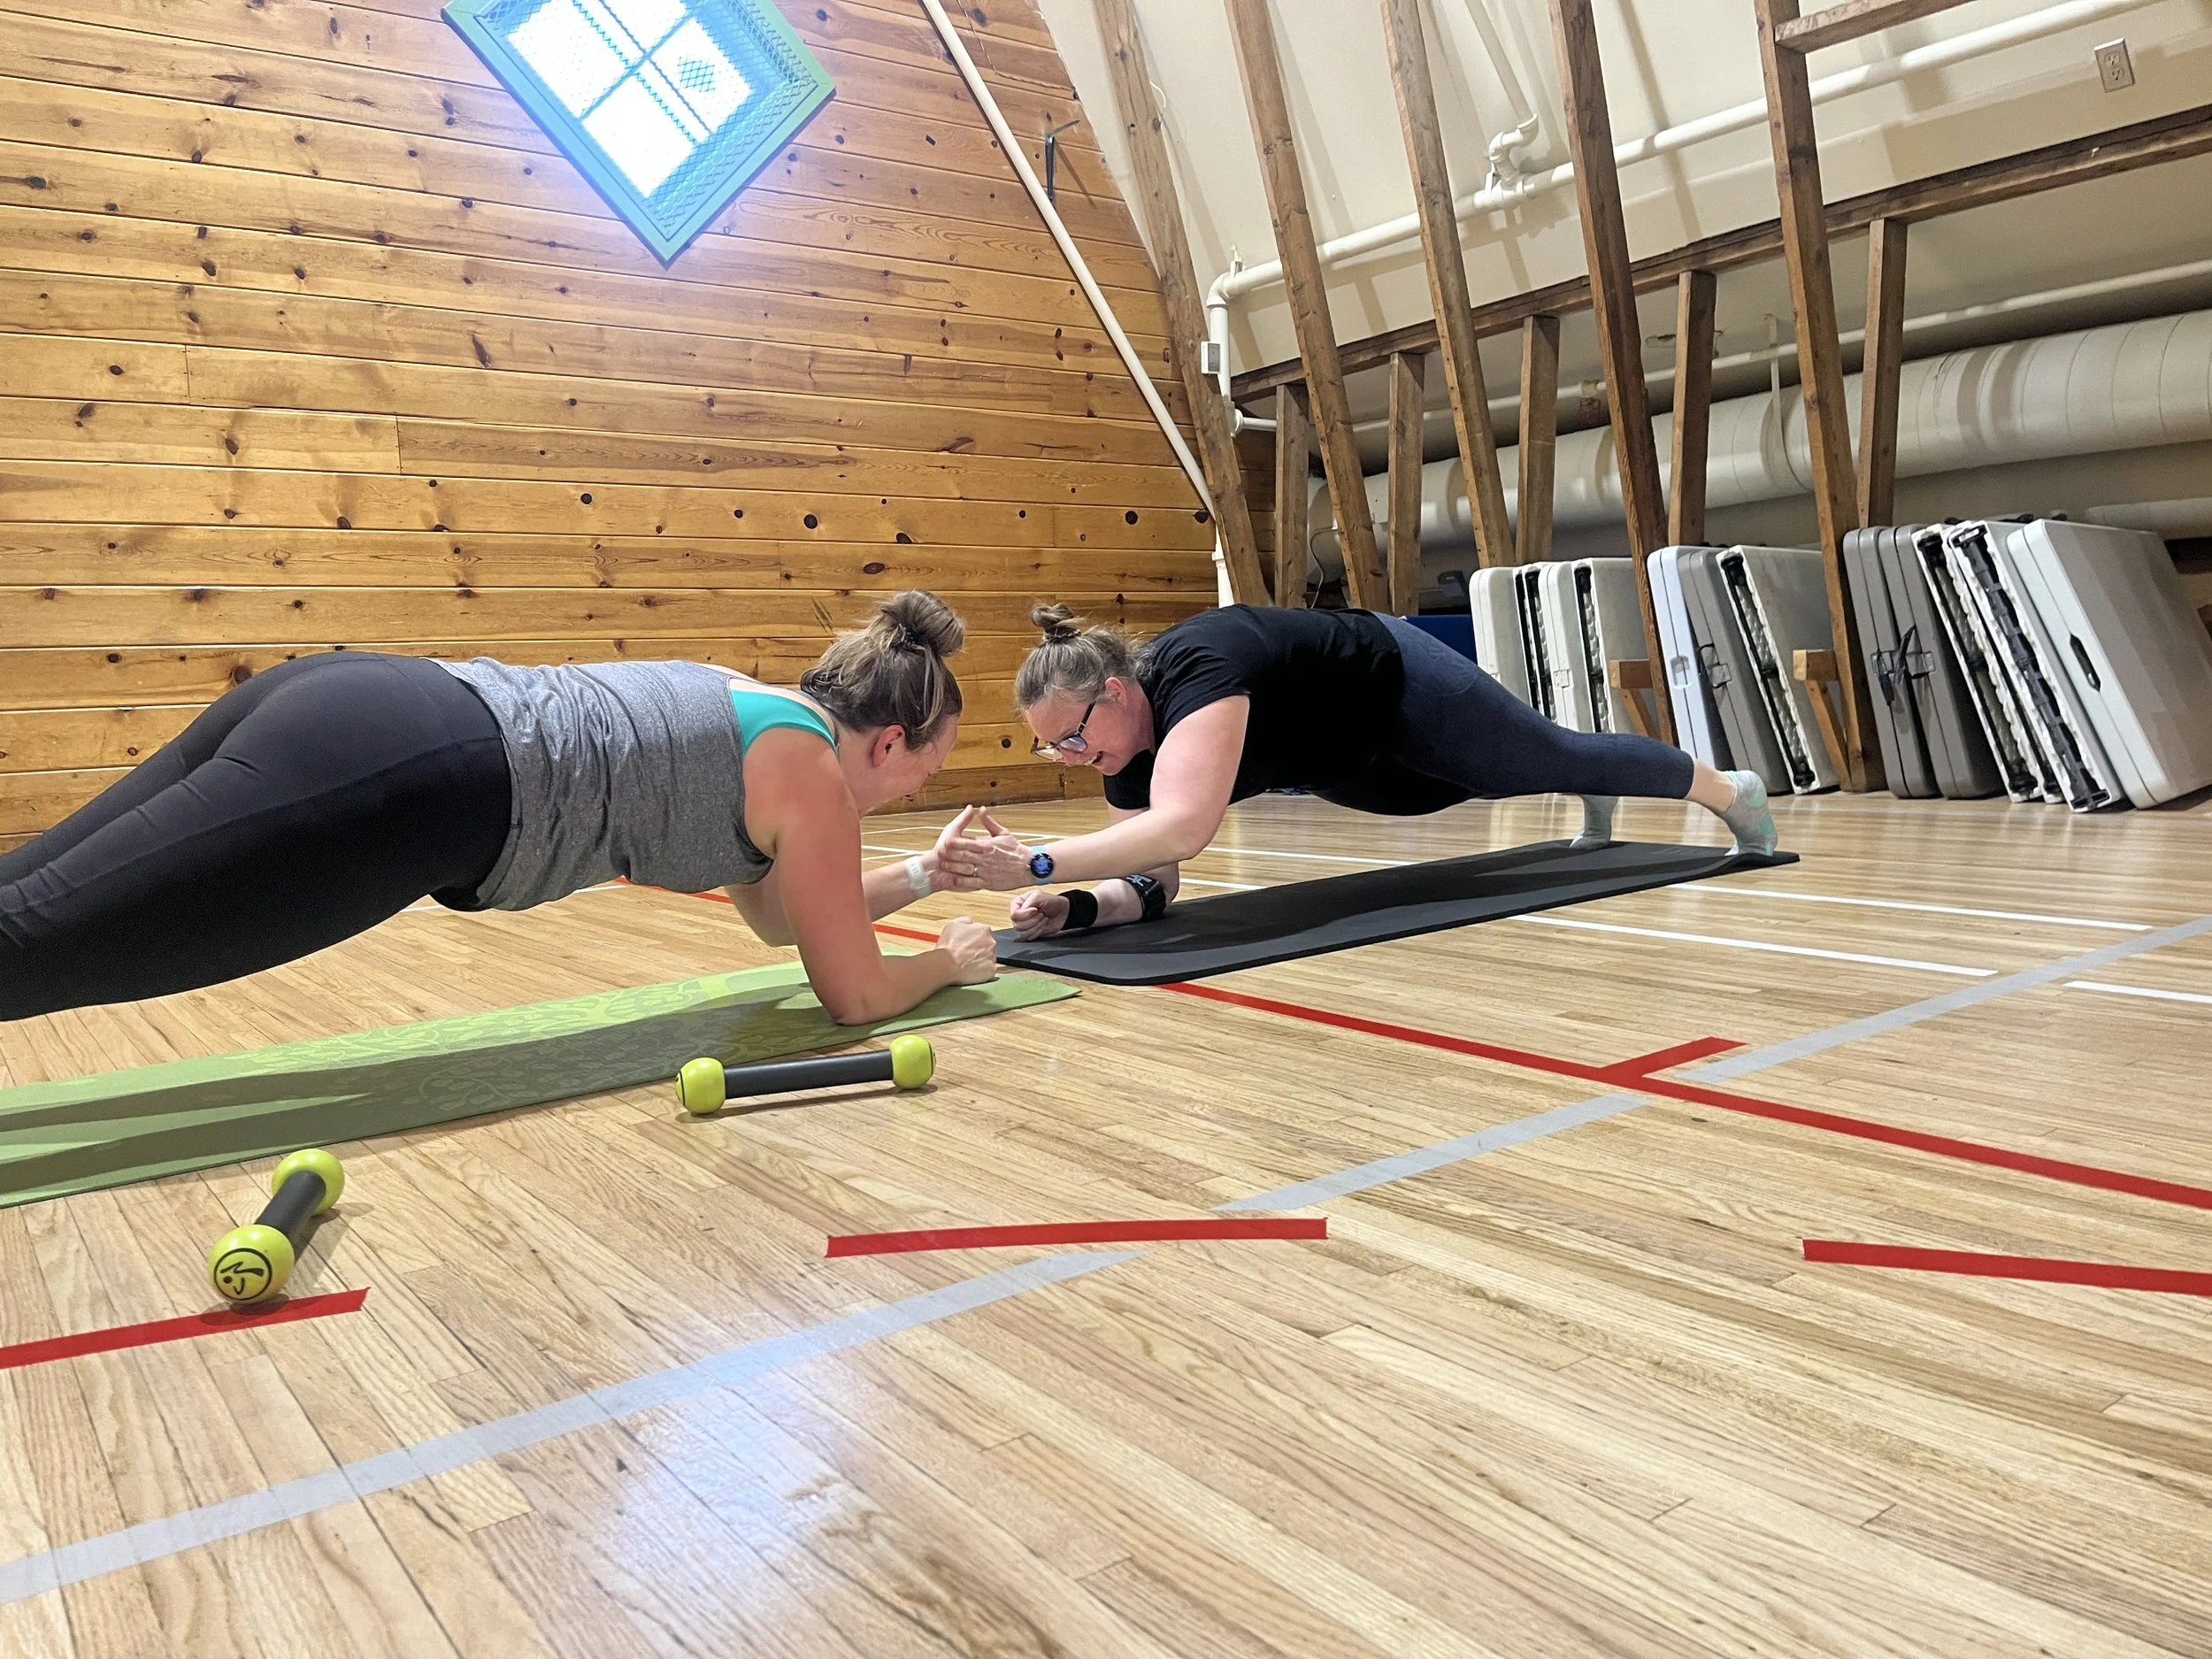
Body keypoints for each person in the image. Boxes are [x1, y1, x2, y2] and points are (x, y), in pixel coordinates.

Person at [0, 592, 999, 1023]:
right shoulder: (817, 778)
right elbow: (856, 996)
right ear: (887, 743)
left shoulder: (755, 708)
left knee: (23, 901)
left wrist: (920, 873)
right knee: (37, 943)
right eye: (926, 773)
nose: (917, 792)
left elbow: (784, 917)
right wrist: (947, 965)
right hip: (407, 781)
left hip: (349, 706)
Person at [940, 602, 1778, 939]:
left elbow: (1186, 829)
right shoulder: (1125, 751)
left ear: (1117, 693)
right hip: (1340, 759)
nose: (1072, 759)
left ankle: (1729, 791)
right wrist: (1072, 905)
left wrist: (1038, 857)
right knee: (1484, 780)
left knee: (1540, 757)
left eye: (1073, 737)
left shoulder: (1198, 675)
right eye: (1055, 747)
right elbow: (1156, 878)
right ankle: (1579, 776)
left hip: (1394, 686)